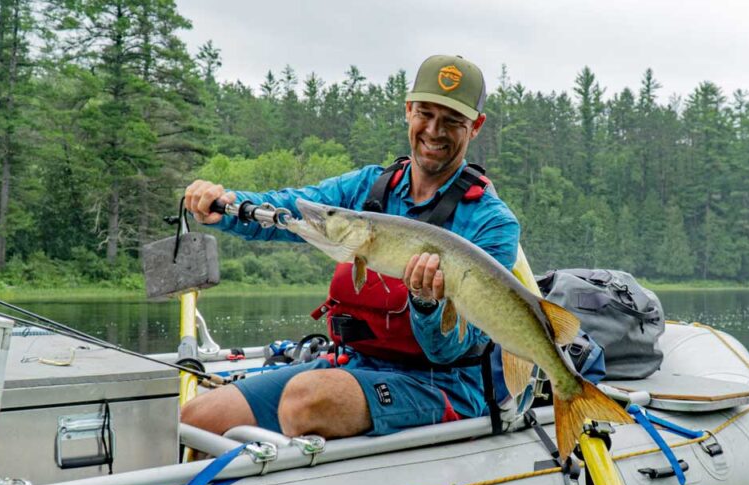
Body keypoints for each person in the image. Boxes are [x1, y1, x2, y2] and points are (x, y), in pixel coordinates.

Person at [181, 55, 520, 440]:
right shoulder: (367, 188)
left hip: (442, 383)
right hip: (357, 362)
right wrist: (223, 204)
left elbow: (450, 350)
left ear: (475, 126)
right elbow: (294, 209)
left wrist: (426, 303)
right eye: (424, 113)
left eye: (452, 122)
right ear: (408, 110)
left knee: (305, 401)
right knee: (197, 417)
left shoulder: (493, 223)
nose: (434, 131)